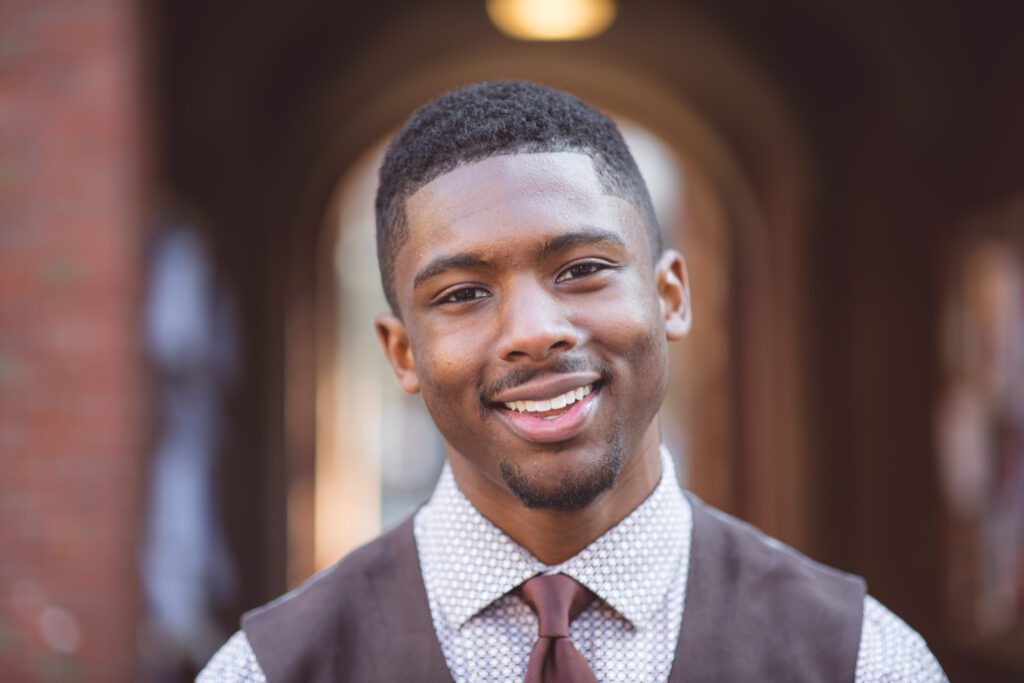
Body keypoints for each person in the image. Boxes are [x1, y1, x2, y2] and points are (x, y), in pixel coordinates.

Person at [198, 81, 946, 682]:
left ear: (671, 297)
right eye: (462, 293)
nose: (533, 331)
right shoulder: (266, 670)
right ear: (402, 353)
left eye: (583, 269)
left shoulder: (861, 660)